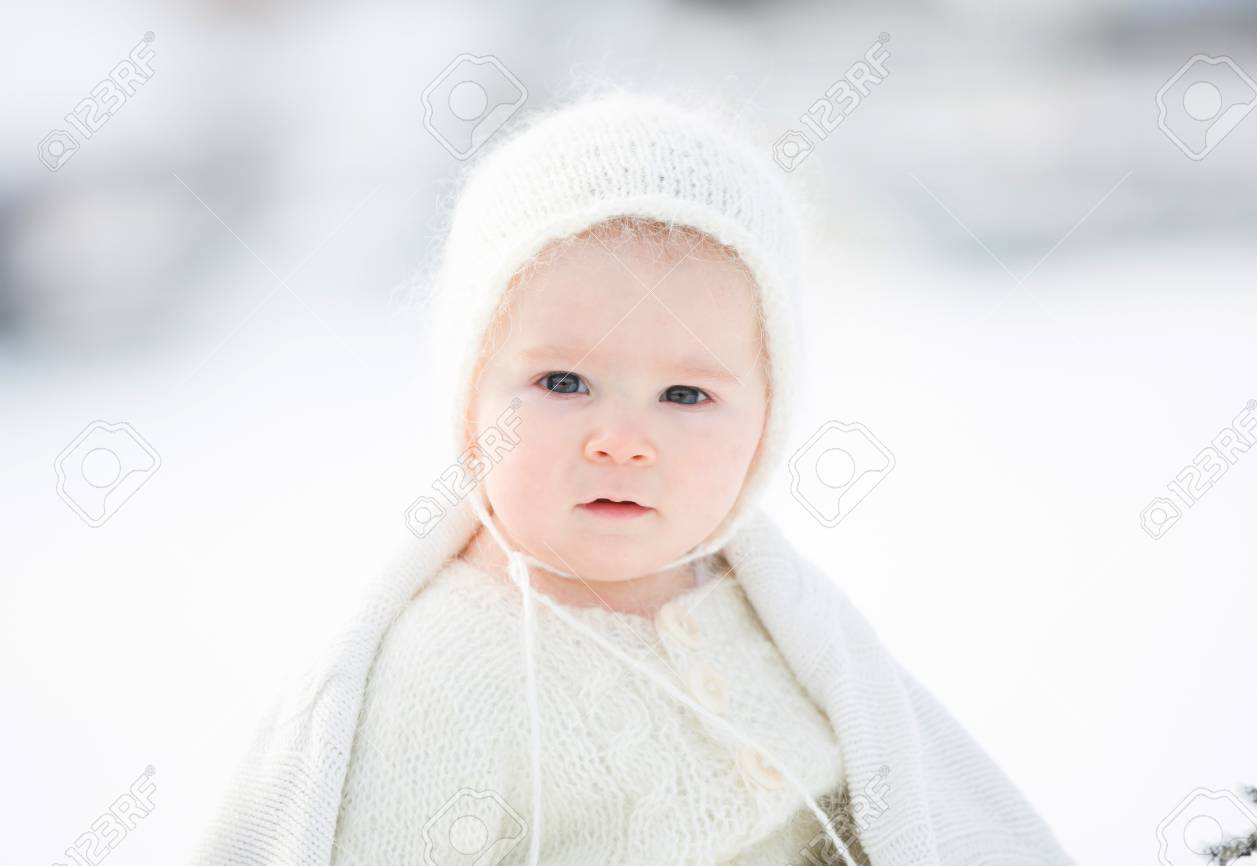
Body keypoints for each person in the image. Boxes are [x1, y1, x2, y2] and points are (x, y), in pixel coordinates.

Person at [193, 88, 1076, 866]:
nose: (621, 440)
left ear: (768, 417)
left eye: (685, 393)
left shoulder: (773, 613)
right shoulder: (446, 675)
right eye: (563, 383)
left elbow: (898, 812)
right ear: (467, 397)